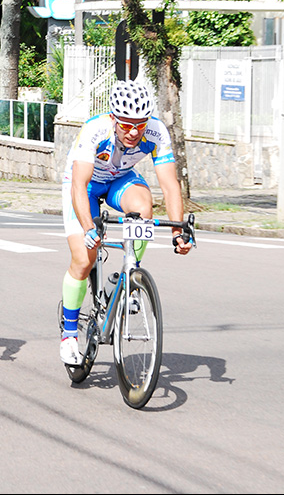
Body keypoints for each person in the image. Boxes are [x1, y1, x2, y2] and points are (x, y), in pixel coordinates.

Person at [58, 80, 193, 366]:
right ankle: (69, 334)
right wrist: (88, 228)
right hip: (85, 185)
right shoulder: (95, 129)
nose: (133, 132)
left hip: (120, 179)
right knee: (83, 259)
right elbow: (79, 185)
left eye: (140, 125)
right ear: (113, 118)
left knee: (144, 207)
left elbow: (170, 186)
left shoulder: (156, 131)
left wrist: (178, 230)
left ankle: (128, 277)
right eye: (126, 125)